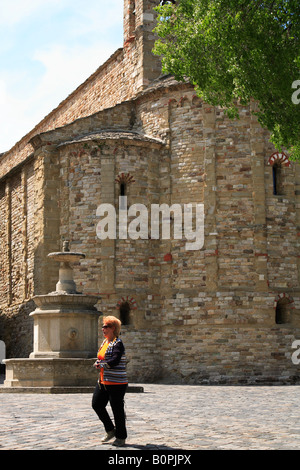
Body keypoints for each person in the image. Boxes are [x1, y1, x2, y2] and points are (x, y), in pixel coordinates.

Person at [92, 316, 128, 447]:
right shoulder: (105, 342)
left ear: (113, 328)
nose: (103, 329)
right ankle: (110, 429)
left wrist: (102, 365)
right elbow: (102, 358)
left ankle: (121, 437)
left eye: (106, 326)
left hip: (117, 383)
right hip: (103, 381)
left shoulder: (117, 343)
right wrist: (98, 363)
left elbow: (115, 360)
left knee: (117, 410)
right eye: (102, 326)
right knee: (97, 405)